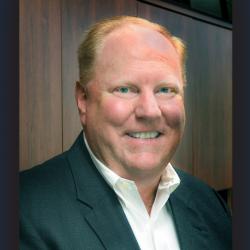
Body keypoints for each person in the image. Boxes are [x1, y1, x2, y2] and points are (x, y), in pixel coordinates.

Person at [20, 16, 231, 250]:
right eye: (125, 89)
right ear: (83, 100)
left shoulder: (210, 203)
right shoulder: (22, 208)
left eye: (165, 89)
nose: (150, 111)